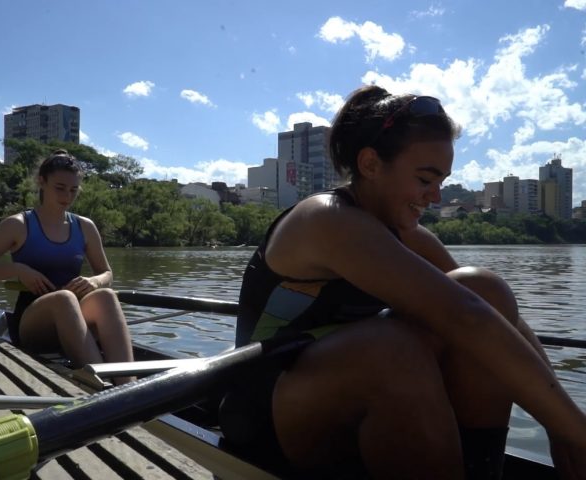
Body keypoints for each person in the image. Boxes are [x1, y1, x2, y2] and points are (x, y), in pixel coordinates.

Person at [219, 85, 586, 479]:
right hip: (259, 411)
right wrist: (579, 434)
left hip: (339, 393)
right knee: (392, 349)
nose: (435, 196)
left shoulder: (406, 232)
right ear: (371, 164)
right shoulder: (325, 220)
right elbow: (465, 317)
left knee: (484, 286)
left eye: (441, 180)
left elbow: (489, 312)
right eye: (425, 178)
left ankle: (481, 469)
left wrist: (559, 424)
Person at [0, 149, 134, 377]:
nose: (67, 197)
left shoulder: (85, 227)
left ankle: (128, 384)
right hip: (32, 325)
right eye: (60, 188)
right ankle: (103, 387)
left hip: (75, 318)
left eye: (73, 190)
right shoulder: (18, 225)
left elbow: (106, 273)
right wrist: (16, 269)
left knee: (107, 296)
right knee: (64, 298)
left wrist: (94, 281)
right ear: (42, 182)